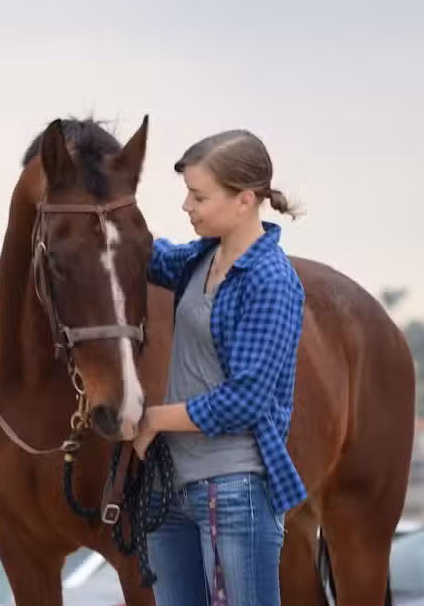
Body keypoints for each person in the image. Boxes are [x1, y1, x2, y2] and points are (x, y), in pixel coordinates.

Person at [132, 129, 307, 606]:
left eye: (199, 196)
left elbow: (246, 397)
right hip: (169, 492)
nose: (187, 206)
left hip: (234, 491)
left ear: (245, 200)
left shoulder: (272, 282)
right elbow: (144, 253)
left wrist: (154, 420)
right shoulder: (200, 259)